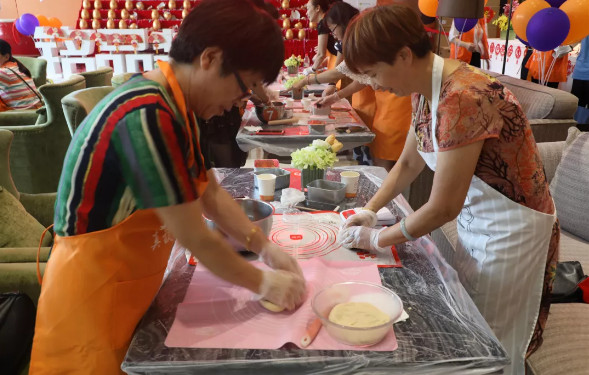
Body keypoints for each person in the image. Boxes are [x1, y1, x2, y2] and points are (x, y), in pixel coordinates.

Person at [29, 1, 305, 373]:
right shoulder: (146, 115)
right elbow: (197, 237)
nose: (237, 104)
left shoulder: (176, 108)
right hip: (90, 304)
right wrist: (265, 283)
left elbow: (209, 192)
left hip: (129, 287)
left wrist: (264, 247)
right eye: (244, 87)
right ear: (209, 58)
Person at [338, 5, 559, 375]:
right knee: (472, 324)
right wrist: (371, 210)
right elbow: (410, 163)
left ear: (404, 55)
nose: (374, 85)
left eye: (375, 74)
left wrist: (377, 240)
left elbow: (443, 207)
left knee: (496, 342)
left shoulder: (463, 98)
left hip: (512, 230)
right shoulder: (423, 87)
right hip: (481, 220)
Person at [0, 39, 43, 112]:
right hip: (36, 109)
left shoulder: (4, 72)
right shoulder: (14, 66)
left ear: (6, 57)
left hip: (24, 113)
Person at [303, 0, 340, 73]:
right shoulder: (326, 20)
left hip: (340, 63)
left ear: (317, 8)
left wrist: (311, 69)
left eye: (308, 8)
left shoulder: (323, 23)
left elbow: (321, 54)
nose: (306, 13)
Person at [571, 36, 589, 129]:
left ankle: (576, 129)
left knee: (578, 104)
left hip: (580, 70)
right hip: (581, 70)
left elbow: (572, 41)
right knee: (578, 104)